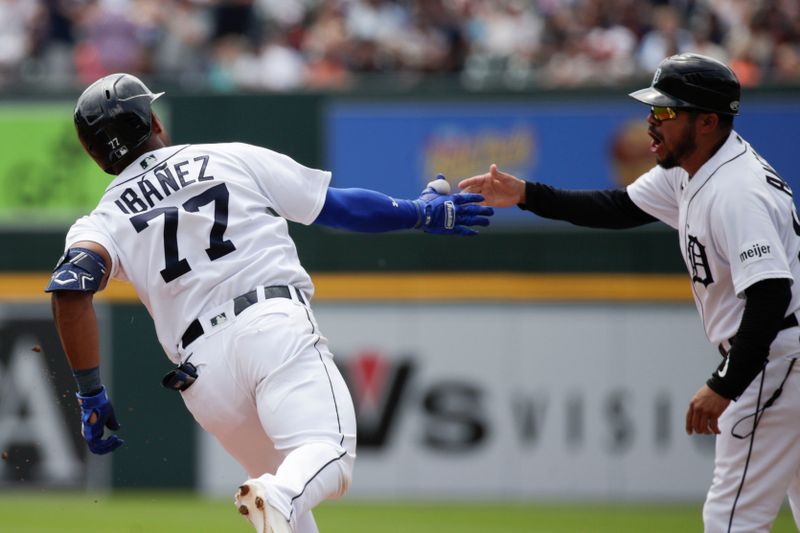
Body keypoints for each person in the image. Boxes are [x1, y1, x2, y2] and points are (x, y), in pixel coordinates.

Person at [47, 73, 493, 533]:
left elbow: (70, 288)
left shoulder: (101, 221)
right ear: (154, 119)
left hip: (203, 378)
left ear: (94, 155)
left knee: (289, 508)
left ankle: (277, 494)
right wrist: (421, 212)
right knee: (329, 456)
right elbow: (338, 207)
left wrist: (90, 391)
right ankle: (276, 492)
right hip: (269, 326)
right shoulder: (227, 158)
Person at [459, 53, 800, 533]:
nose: (651, 122)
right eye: (652, 110)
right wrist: (525, 194)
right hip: (783, 359)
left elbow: (771, 294)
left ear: (706, 122)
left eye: (665, 112)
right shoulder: (694, 168)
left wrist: (726, 382)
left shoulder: (735, 191)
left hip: (776, 361)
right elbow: (616, 206)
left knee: (731, 520)